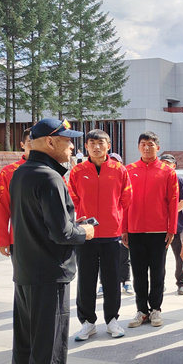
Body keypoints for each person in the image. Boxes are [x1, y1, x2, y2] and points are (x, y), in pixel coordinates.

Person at [8, 118, 95, 364]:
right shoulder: (50, 177)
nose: (72, 146)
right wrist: (85, 231)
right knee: (49, 349)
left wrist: (72, 224)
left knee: (25, 345)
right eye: (67, 140)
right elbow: (62, 233)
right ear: (48, 142)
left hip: (26, 271)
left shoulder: (21, 173)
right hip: (49, 275)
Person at [69, 129, 132, 341]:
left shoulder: (119, 170)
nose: (96, 147)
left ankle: (112, 320)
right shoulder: (78, 171)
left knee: (112, 279)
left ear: (108, 145)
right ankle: (87, 322)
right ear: (86, 146)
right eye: (92, 143)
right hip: (85, 234)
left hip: (111, 234)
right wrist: (81, 217)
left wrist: (117, 219)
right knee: (85, 280)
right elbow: (72, 198)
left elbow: (126, 199)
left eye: (101, 143)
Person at [123, 132, 179, 329]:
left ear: (158, 147)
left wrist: (172, 228)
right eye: (143, 144)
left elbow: (173, 202)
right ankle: (141, 310)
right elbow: (124, 202)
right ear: (138, 146)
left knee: (157, 272)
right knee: (138, 272)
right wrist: (124, 228)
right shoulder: (128, 170)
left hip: (159, 230)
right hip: (135, 229)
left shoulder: (167, 171)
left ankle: (155, 308)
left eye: (150, 144)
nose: (146, 148)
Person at [0, 128, 31, 256]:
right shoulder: (9, 172)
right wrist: (2, 239)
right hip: (20, 238)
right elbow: (1, 206)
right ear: (22, 145)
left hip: (50, 239)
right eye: (30, 142)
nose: (34, 147)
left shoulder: (53, 170)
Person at [160, 154, 183, 296]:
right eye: (162, 163)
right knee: (159, 258)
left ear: (174, 166)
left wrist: (169, 213)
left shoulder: (179, 181)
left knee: (180, 256)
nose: (165, 166)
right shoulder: (157, 180)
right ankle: (160, 283)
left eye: (168, 163)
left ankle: (181, 283)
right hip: (159, 227)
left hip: (177, 225)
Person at [109, 152, 134, 296]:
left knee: (125, 255)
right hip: (108, 225)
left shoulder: (125, 179)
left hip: (123, 224)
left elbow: (128, 204)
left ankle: (126, 280)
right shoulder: (104, 180)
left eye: (116, 162)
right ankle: (105, 283)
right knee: (106, 257)